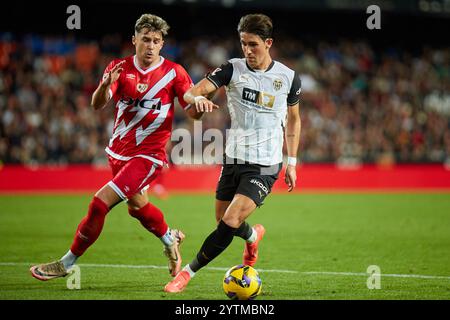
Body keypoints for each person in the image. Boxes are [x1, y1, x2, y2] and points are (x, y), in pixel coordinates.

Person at [30, 14, 203, 281]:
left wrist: (198, 102)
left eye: (156, 41)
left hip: (149, 156)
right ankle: (170, 238)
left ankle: (66, 263)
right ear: (134, 40)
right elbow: (97, 103)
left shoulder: (173, 72)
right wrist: (104, 85)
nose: (150, 45)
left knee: (100, 204)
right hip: (118, 153)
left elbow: (189, 102)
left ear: (162, 44)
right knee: (138, 208)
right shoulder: (119, 68)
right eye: (145, 39)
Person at [164, 13, 302, 293]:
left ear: (268, 43)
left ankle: (186, 275)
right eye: (243, 44)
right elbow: (193, 93)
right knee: (223, 220)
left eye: (253, 44)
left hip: (265, 164)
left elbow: (295, 119)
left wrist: (292, 162)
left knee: (228, 221)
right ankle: (253, 236)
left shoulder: (288, 78)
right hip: (234, 158)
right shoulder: (231, 69)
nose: (248, 50)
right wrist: (198, 99)